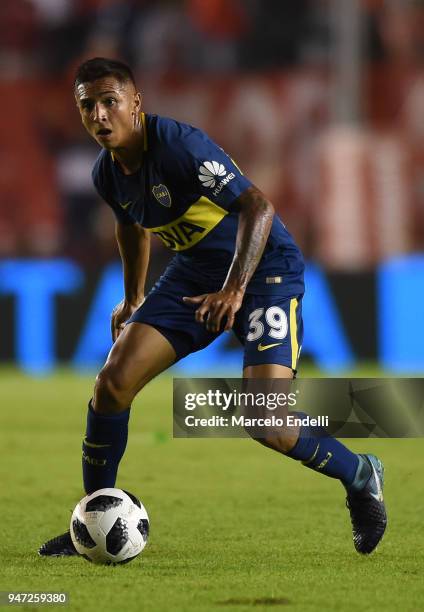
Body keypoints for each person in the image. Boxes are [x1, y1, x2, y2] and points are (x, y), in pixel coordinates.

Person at [39, 57, 386, 557]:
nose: (99, 115)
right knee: (112, 384)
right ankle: (94, 516)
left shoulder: (179, 146)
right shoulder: (106, 173)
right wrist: (134, 295)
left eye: (109, 101)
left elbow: (258, 208)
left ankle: (360, 475)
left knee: (267, 422)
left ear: (136, 103)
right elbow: (131, 225)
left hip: (264, 270)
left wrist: (235, 289)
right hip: (195, 272)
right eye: (87, 106)